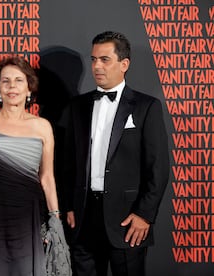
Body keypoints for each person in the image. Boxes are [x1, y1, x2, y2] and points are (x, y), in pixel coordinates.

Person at [59, 31, 169, 276]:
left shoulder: (146, 107)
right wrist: (69, 205)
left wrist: (144, 214)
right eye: (94, 59)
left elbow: (158, 168)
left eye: (104, 59)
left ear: (124, 64)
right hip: (83, 217)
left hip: (127, 220)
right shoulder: (77, 107)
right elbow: (67, 164)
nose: (97, 66)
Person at [0, 55, 70, 276]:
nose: (11, 87)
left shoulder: (42, 127)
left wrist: (55, 219)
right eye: (5, 81)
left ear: (29, 88)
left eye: (18, 80)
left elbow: (46, 177)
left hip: (26, 220)